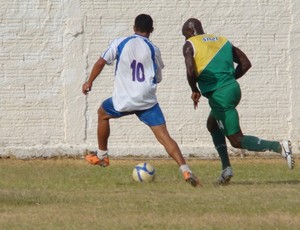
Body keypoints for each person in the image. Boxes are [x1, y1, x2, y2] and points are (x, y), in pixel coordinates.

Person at [82, 14, 201, 187]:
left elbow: (101, 62)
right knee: (164, 137)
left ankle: (102, 156)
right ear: (151, 31)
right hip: (147, 101)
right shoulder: (154, 49)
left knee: (102, 114)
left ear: (133, 27)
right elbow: (158, 77)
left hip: (123, 100)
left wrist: (89, 81)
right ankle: (185, 170)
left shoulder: (120, 42)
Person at [181, 18, 294, 185]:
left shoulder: (190, 44)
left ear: (190, 32)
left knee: (236, 140)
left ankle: (279, 147)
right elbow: (245, 63)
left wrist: (194, 89)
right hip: (232, 89)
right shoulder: (222, 41)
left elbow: (190, 71)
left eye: (186, 36)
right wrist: (228, 80)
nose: (186, 39)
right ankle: (226, 169)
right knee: (212, 125)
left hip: (220, 96)